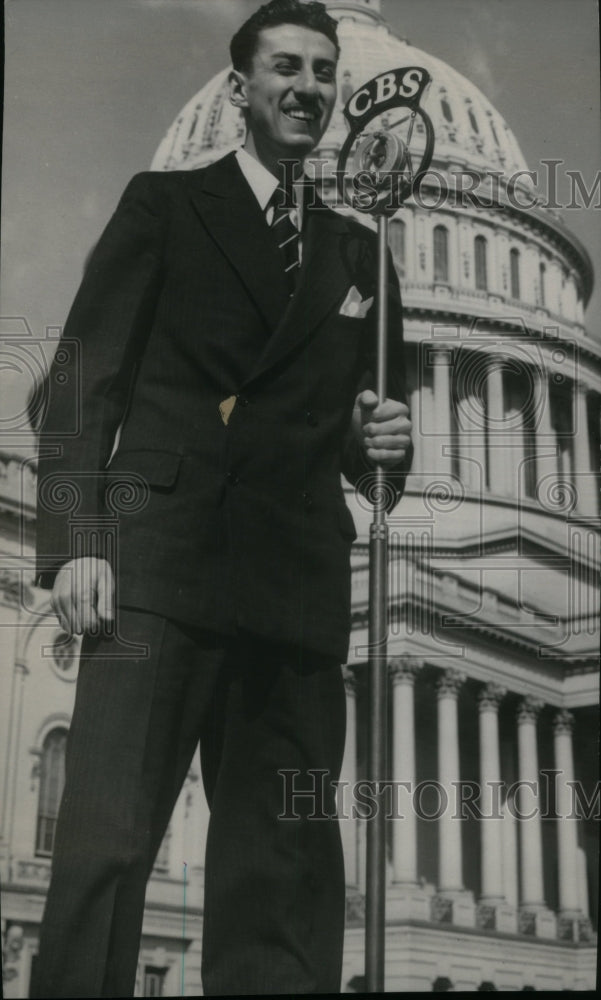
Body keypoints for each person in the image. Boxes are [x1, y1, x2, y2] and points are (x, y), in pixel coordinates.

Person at [32, 0, 413, 995]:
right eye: (285, 67)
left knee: (279, 875)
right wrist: (82, 535)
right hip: (155, 566)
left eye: (323, 72)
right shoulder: (164, 204)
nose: (308, 88)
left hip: (290, 587)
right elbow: (80, 381)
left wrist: (382, 443)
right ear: (239, 87)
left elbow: (361, 430)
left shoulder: (361, 254)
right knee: (108, 848)